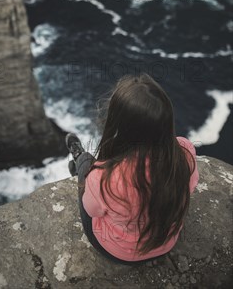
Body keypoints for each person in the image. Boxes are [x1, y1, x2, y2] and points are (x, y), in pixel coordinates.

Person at [65, 72, 199, 264]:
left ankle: (78, 157)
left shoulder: (103, 177)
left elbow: (92, 211)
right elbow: (191, 186)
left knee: (86, 166)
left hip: (118, 252)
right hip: (165, 245)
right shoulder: (185, 152)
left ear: (118, 126)